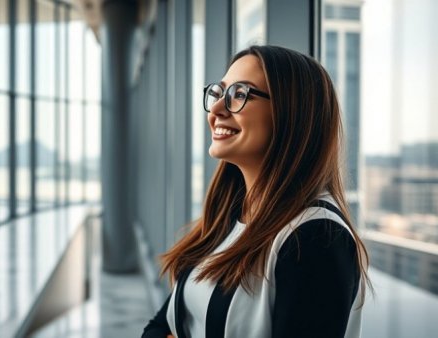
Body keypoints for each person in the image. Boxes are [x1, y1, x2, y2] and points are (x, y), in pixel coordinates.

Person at [141, 45, 372, 338]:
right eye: (218, 93)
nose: (215, 109)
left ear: (291, 113)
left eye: (239, 94)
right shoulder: (231, 216)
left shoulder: (316, 237)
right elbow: (159, 327)